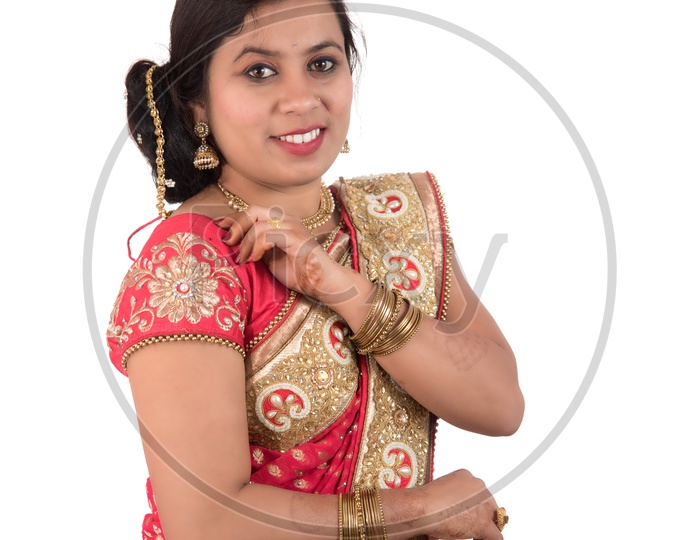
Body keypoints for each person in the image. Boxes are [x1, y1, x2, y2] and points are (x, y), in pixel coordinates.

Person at [106, 0, 524, 538]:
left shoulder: (391, 216)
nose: (302, 99)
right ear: (196, 104)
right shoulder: (190, 263)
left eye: (323, 63)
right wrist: (415, 511)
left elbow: (501, 405)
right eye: (259, 71)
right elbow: (205, 521)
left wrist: (346, 289)